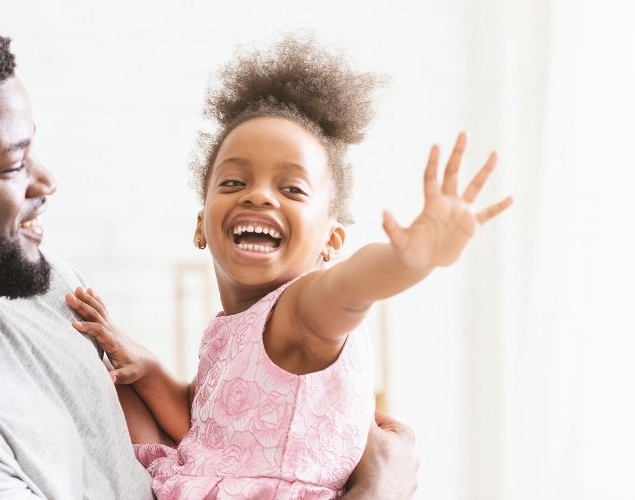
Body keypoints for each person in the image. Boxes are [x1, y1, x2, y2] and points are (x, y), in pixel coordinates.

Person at [0, 14, 419, 500]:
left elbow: (199, 434)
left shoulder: (42, 289)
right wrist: (377, 492)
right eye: (12, 165)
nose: (46, 181)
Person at [66, 34, 510, 499]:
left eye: (293, 189)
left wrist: (407, 261)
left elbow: (351, 287)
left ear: (331, 241)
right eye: (234, 181)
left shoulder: (304, 309)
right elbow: (202, 428)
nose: (259, 195)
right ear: (201, 226)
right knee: (117, 389)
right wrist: (149, 369)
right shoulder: (230, 329)